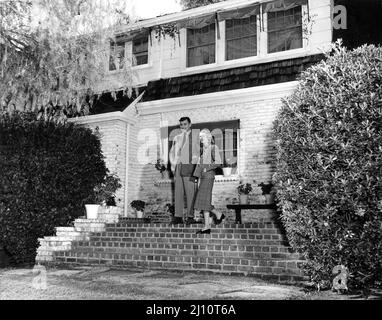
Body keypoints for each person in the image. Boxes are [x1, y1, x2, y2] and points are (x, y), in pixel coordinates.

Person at [193, 129, 225, 234]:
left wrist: (208, 168)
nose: (201, 139)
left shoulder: (213, 147)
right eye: (200, 137)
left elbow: (218, 162)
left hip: (209, 176)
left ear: (208, 137)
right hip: (202, 177)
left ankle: (218, 214)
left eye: (202, 136)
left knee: (203, 201)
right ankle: (207, 226)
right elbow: (199, 165)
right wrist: (196, 177)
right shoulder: (203, 150)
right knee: (204, 201)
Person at [169, 117, 200, 224]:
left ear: (190, 124)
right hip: (179, 165)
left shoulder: (195, 135)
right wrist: (174, 167)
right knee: (178, 191)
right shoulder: (177, 137)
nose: (183, 126)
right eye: (181, 124)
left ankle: (191, 217)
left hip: (189, 165)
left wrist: (195, 167)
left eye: (185, 124)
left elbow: (198, 152)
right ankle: (178, 216)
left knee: (190, 191)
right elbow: (172, 152)